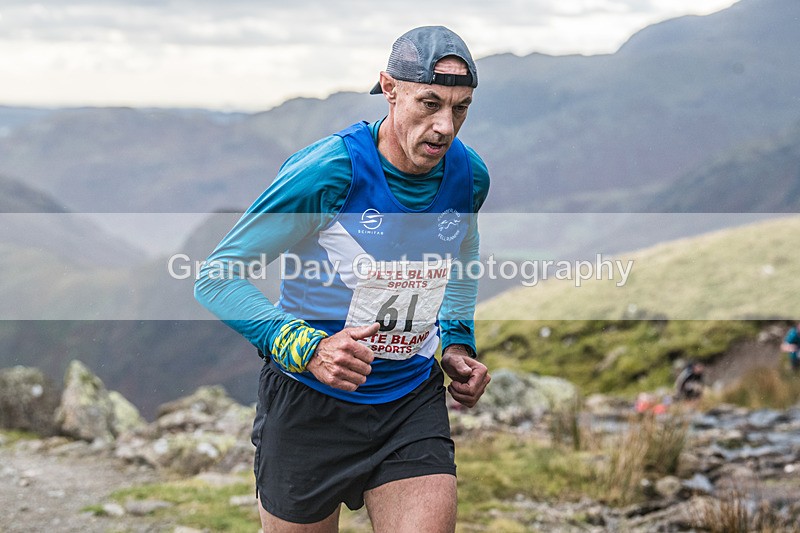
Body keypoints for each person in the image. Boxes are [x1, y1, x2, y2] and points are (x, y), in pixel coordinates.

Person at [195, 26, 491, 532]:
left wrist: (457, 343)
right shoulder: (329, 170)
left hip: (408, 400)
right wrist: (305, 347)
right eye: (429, 103)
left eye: (460, 108)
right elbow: (217, 277)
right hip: (309, 405)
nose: (445, 126)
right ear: (389, 89)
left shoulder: (469, 176)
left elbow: (459, 258)